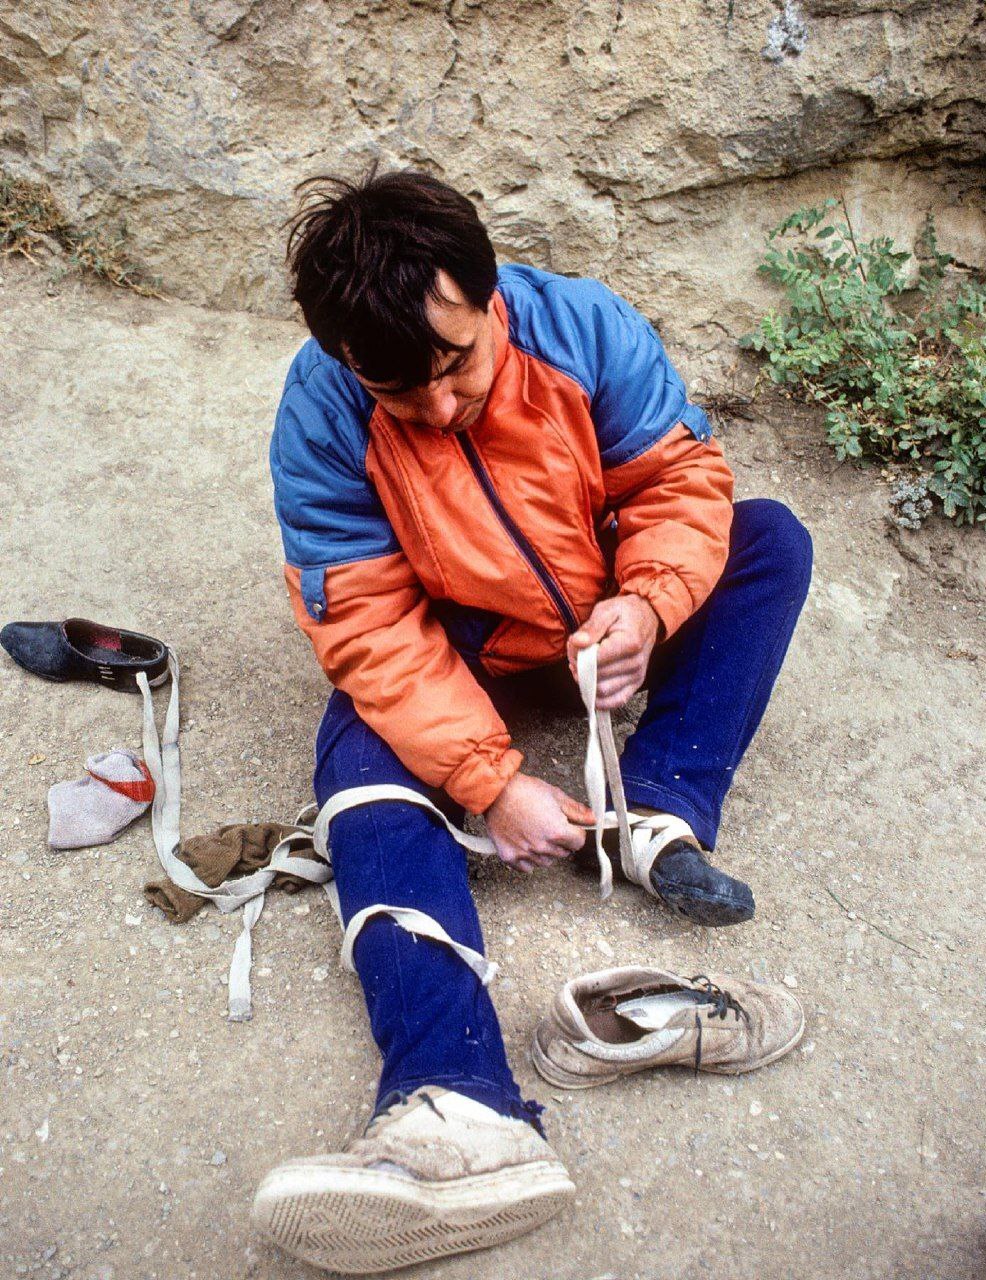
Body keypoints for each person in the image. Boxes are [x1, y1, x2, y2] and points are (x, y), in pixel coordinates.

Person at [251, 166, 813, 1274]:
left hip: (602, 610)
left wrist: (648, 605)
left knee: (770, 539)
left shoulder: (585, 325)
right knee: (359, 752)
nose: (440, 408)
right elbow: (366, 621)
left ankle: (655, 810)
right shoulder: (320, 412)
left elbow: (677, 481)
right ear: (344, 358)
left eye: (456, 364)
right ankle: (457, 1095)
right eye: (399, 393)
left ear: (490, 290)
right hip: (466, 640)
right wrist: (487, 778)